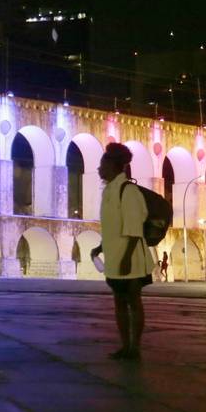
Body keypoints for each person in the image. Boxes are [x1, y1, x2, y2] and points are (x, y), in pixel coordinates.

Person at [90, 142, 154, 361]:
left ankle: (135, 347)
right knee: (119, 302)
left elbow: (134, 229)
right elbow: (113, 226)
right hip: (115, 257)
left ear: (113, 165)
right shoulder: (109, 190)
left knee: (133, 301)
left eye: (101, 164)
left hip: (132, 259)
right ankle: (125, 346)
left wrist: (126, 259)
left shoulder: (129, 191)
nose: (99, 169)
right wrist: (101, 246)